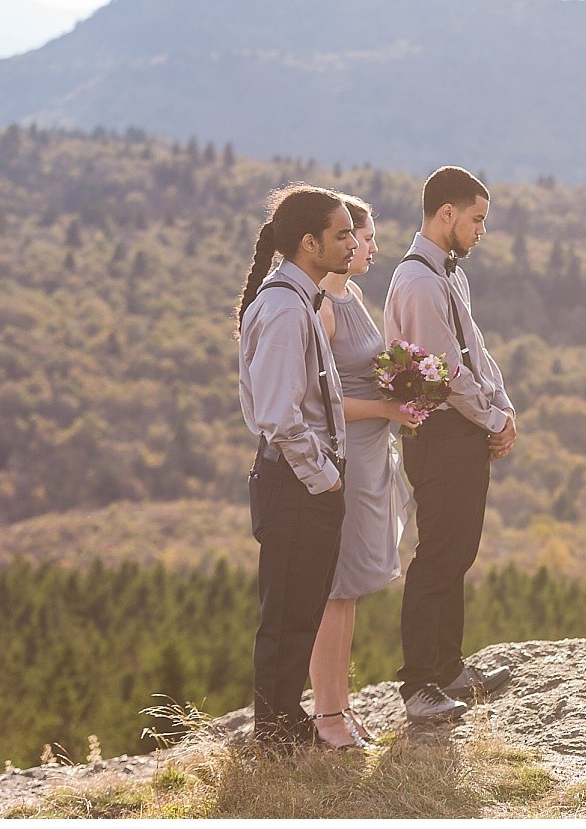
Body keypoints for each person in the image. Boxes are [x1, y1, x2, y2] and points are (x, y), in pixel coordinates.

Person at [385, 166, 514, 722]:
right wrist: (490, 419)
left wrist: (502, 408)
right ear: (447, 215)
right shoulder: (416, 281)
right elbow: (444, 370)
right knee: (437, 554)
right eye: (476, 219)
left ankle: (449, 667)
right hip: (438, 433)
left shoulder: (450, 276)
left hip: (465, 429)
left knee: (459, 551)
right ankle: (417, 683)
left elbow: (477, 351)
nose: (481, 230)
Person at [235, 184, 357, 751]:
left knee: (300, 607)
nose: (353, 242)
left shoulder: (296, 301)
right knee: (286, 613)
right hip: (296, 483)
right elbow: (278, 417)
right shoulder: (285, 310)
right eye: (341, 234)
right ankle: (274, 733)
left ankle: (284, 723)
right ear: (309, 243)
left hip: (300, 480)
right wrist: (324, 477)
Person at [306, 194, 421, 748]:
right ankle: (327, 715)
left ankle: (340, 709)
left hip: (371, 454)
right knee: (333, 589)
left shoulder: (351, 295)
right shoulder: (322, 308)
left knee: (349, 590)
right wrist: (387, 408)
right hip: (345, 457)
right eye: (361, 237)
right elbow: (319, 402)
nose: (369, 247)